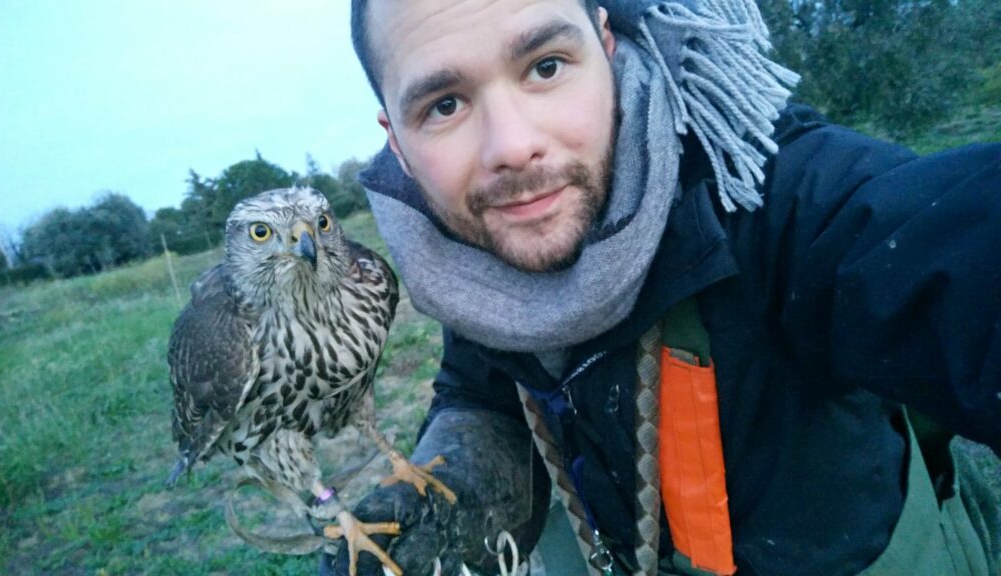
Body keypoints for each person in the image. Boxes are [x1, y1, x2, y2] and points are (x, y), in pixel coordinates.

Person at [325, 0, 1001, 574]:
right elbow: (480, 388)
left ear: (607, 44)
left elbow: (932, 250)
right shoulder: (465, 251)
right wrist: (457, 490)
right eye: (444, 104)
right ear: (396, 139)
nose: (512, 145)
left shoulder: (764, 194)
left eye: (546, 66)